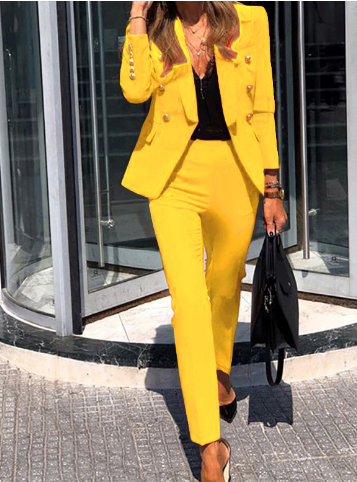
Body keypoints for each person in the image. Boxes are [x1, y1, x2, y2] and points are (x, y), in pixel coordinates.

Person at [120, 2, 288, 481]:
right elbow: (134, 89)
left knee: (225, 280)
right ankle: (210, 445)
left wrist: (272, 188)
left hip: (235, 172)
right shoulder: (156, 29)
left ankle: (218, 374)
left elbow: (263, 109)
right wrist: (137, 15)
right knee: (189, 304)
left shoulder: (249, 20)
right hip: (174, 179)